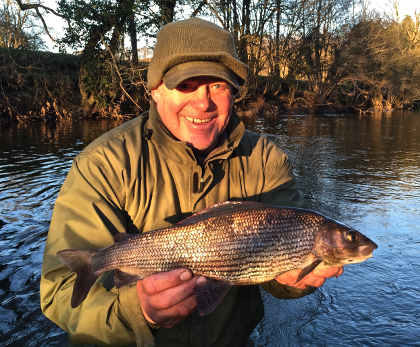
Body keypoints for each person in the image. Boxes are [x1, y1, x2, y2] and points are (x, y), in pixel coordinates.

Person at [40, 18, 343, 347]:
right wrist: (137, 311)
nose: (204, 103)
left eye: (218, 86)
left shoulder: (265, 159)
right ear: (156, 91)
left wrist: (296, 280)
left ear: (234, 93)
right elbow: (59, 293)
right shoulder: (104, 164)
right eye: (186, 85)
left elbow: (278, 278)